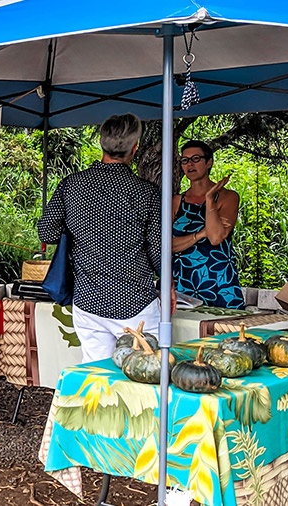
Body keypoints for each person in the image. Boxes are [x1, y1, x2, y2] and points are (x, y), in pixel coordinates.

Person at [38, 113, 167, 363]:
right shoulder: (146, 192)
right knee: (145, 378)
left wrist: (78, 228)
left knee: (99, 380)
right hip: (136, 301)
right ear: (135, 147)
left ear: (100, 143)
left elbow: (47, 232)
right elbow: (157, 252)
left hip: (88, 301)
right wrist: (168, 283)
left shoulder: (72, 185)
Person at [171, 140, 244, 309]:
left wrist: (210, 200)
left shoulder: (228, 197)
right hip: (184, 280)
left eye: (196, 159)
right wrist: (201, 233)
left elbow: (216, 237)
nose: (190, 164)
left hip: (219, 279)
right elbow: (167, 246)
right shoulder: (176, 201)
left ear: (209, 162)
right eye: (185, 160)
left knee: (225, 332)